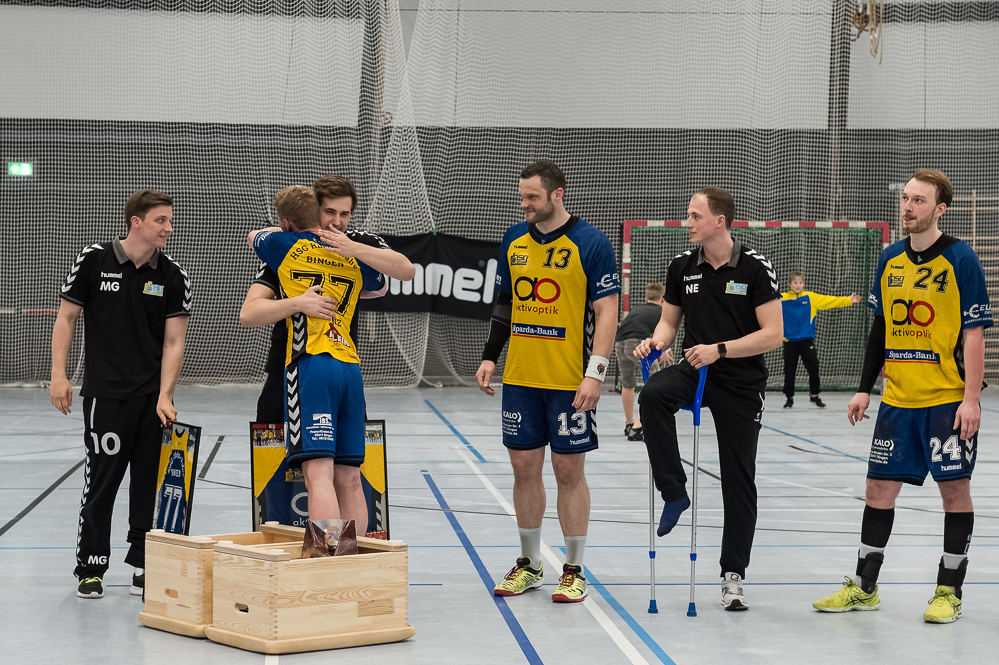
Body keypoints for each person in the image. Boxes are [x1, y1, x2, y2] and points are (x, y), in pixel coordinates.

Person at [813, 169, 990, 624]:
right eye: (906, 198)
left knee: (954, 491)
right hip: (897, 400)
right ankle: (864, 587)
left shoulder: (961, 258)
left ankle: (949, 591)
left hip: (946, 400)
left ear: (940, 209)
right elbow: (881, 328)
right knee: (877, 489)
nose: (907, 207)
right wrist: (863, 388)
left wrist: (971, 399)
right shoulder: (889, 257)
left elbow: (973, 334)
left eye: (918, 200)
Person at [475, 160, 620, 603]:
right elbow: (506, 303)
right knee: (523, 469)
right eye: (522, 196)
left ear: (557, 194)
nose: (525, 204)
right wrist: (490, 356)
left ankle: (574, 569)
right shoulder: (513, 239)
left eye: (532, 197)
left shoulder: (591, 242)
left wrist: (595, 373)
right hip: (521, 377)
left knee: (568, 471)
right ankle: (530, 564)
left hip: (570, 380)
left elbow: (607, 312)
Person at [634, 187, 783, 611]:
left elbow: (773, 334)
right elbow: (668, 324)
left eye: (695, 216)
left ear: (720, 221)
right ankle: (674, 492)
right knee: (652, 397)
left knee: (739, 479)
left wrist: (720, 349)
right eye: (688, 215)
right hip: (695, 369)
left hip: (740, 380)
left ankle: (733, 575)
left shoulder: (755, 267)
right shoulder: (682, 266)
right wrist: (656, 342)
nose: (688, 223)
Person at [240, 175, 412, 529]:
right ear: (314, 210)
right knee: (347, 477)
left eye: (345, 214)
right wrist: (298, 301)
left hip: (309, 365)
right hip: (343, 366)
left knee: (318, 474)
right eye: (329, 212)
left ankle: (324, 555)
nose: (337, 221)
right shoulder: (355, 265)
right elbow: (380, 285)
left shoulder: (309, 247)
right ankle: (348, 555)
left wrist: (348, 246)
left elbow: (255, 236)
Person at [50, 190, 192, 599]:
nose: (168, 228)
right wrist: (58, 375)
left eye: (170, 220)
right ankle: (90, 567)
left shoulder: (173, 275)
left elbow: (174, 342)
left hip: (151, 401)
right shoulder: (94, 259)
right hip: (105, 397)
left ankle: (143, 563)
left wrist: (166, 395)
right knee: (102, 483)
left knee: (148, 485)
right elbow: (67, 317)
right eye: (161, 220)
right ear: (136, 221)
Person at [780, 272, 862, 408]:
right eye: (795, 283)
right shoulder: (782, 299)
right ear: (789, 285)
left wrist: (848, 300)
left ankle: (815, 396)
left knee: (813, 367)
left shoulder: (811, 297)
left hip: (806, 340)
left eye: (800, 283)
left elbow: (829, 300)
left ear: (803, 284)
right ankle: (789, 398)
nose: (798, 285)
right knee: (789, 370)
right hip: (790, 341)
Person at [614, 282, 666, 441]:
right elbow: (663, 333)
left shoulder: (636, 309)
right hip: (637, 343)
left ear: (646, 298)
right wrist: (664, 351)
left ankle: (629, 423)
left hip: (619, 342)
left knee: (627, 383)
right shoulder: (661, 311)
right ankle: (638, 427)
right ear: (663, 299)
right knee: (655, 382)